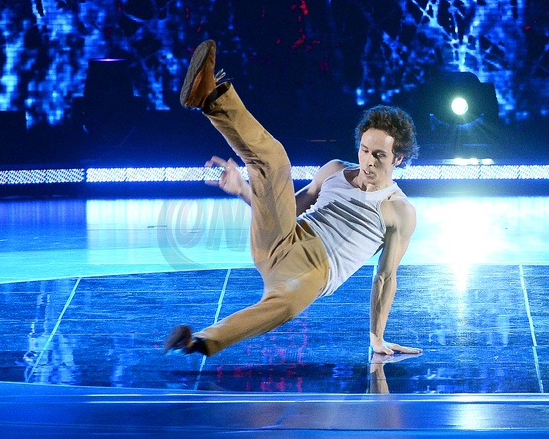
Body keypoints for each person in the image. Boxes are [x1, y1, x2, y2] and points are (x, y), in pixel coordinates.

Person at [163, 40, 422, 358]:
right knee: (275, 160)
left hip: (313, 271)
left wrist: (377, 338)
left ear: (398, 158)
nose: (368, 161)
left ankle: (197, 341)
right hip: (284, 238)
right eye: (364, 150)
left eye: (379, 155)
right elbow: (285, 208)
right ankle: (209, 96)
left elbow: (385, 276)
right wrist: (243, 189)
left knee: (284, 305)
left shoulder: (399, 210)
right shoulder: (335, 170)